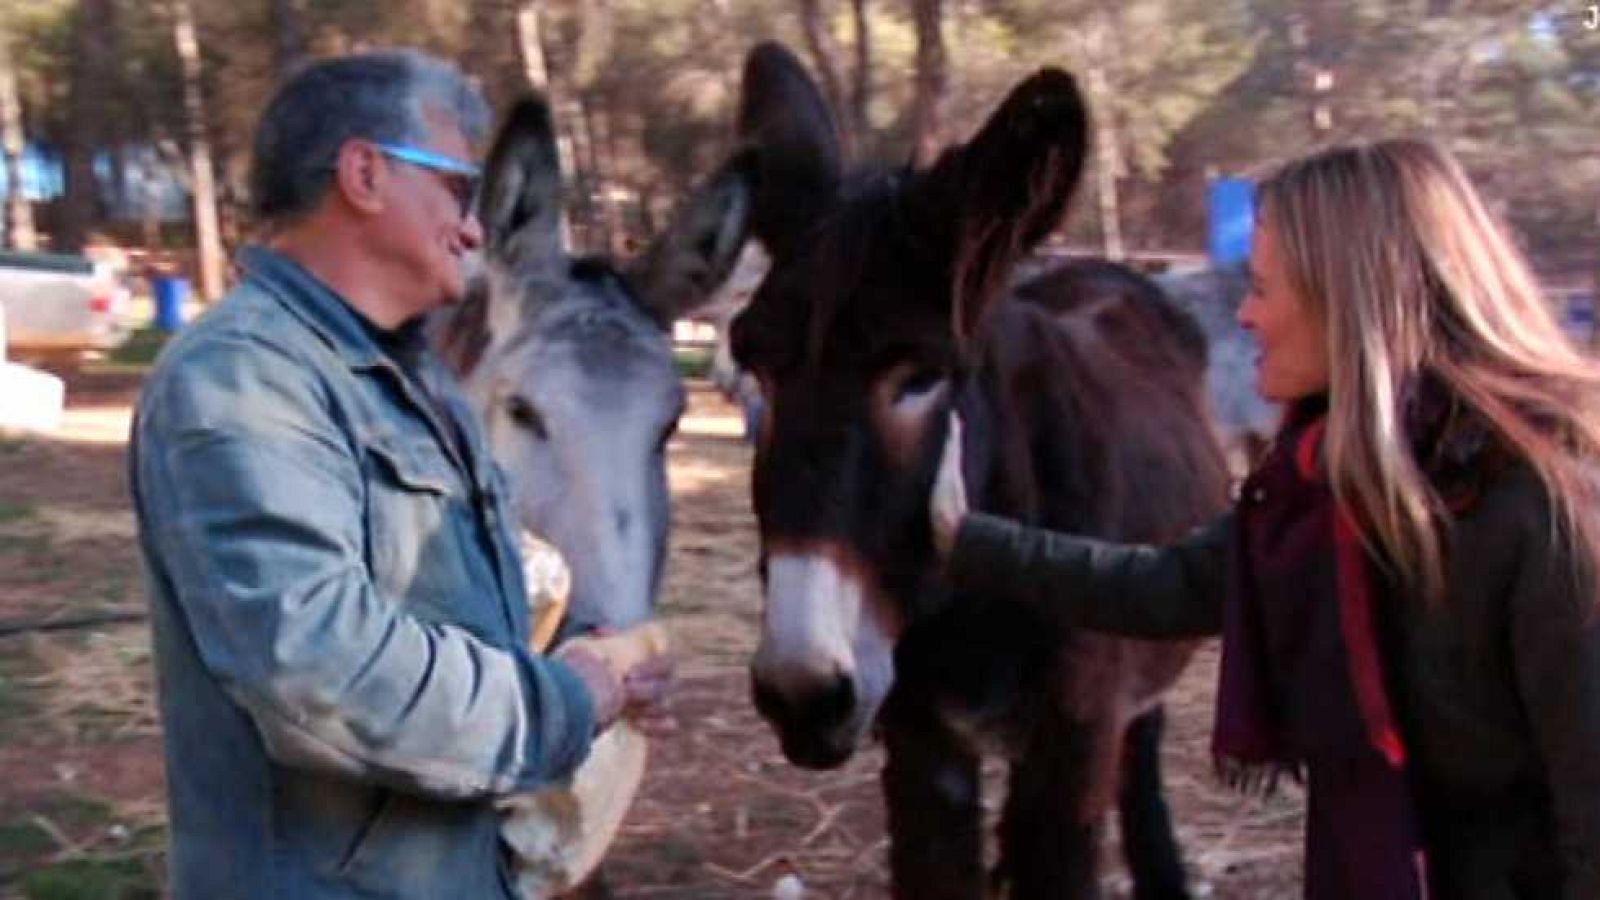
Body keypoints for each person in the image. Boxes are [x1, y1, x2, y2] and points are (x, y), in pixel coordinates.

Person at [929, 139, 1600, 899]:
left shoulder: (1545, 512)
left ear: (1351, 300)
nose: (1244, 315)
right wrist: (967, 539)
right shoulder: (1319, 487)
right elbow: (1167, 585)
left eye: (1263, 288)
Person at [129, 50, 671, 899]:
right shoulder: (241, 378)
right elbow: (317, 672)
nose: (475, 229)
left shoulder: (412, 378)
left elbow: (427, 605)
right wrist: (565, 703)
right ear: (365, 173)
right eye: (459, 190)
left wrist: (593, 665)